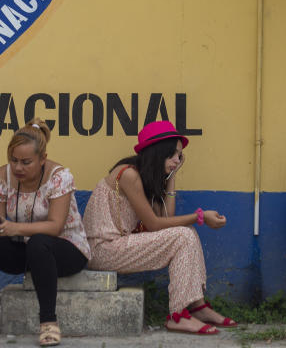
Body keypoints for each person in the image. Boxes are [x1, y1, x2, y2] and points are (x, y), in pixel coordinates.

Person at [82, 120, 237, 336]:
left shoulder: (146, 178)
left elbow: (167, 219)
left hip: (119, 245)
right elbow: (156, 225)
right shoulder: (128, 174)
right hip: (103, 250)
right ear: (157, 152)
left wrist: (171, 178)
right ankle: (177, 316)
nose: (177, 160)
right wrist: (199, 217)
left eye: (179, 156)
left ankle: (197, 307)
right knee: (184, 234)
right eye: (173, 155)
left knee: (187, 233)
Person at [0, 118, 90, 347]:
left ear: (42, 159)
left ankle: (49, 323)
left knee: (39, 242)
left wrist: (13, 227)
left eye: (26, 162)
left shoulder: (59, 177)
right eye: (14, 160)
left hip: (66, 249)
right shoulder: (3, 176)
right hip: (27, 249)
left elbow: (55, 226)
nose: (18, 167)